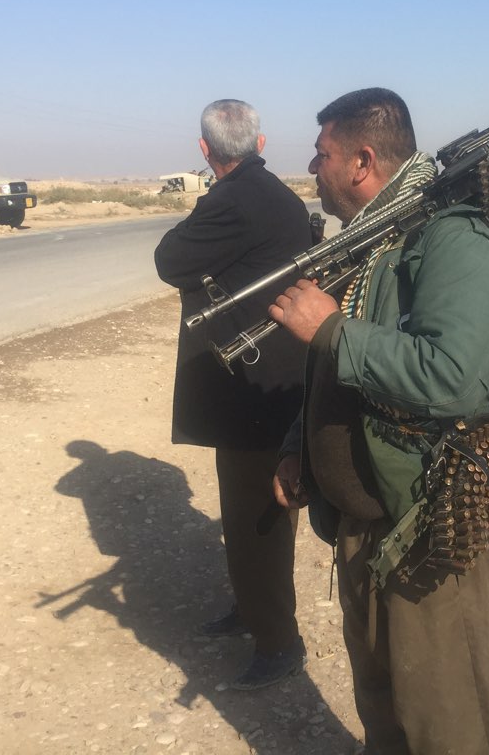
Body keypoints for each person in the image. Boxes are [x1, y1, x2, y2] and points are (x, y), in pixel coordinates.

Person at [270, 88, 489, 755]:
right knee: (384, 711)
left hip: (433, 525)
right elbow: (345, 363)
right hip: (369, 522)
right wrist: (300, 445)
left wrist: (329, 329)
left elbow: (454, 376)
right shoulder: (370, 241)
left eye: (320, 153)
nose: (310, 165)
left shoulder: (454, 237)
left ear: (360, 161)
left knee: (447, 722)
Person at [153, 99, 312, 690]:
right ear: (260, 141)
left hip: (254, 386)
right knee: (246, 513)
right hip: (260, 378)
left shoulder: (234, 199)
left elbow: (169, 259)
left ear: (204, 149)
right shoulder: (270, 192)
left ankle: (279, 641)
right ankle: (251, 610)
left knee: (260, 517)